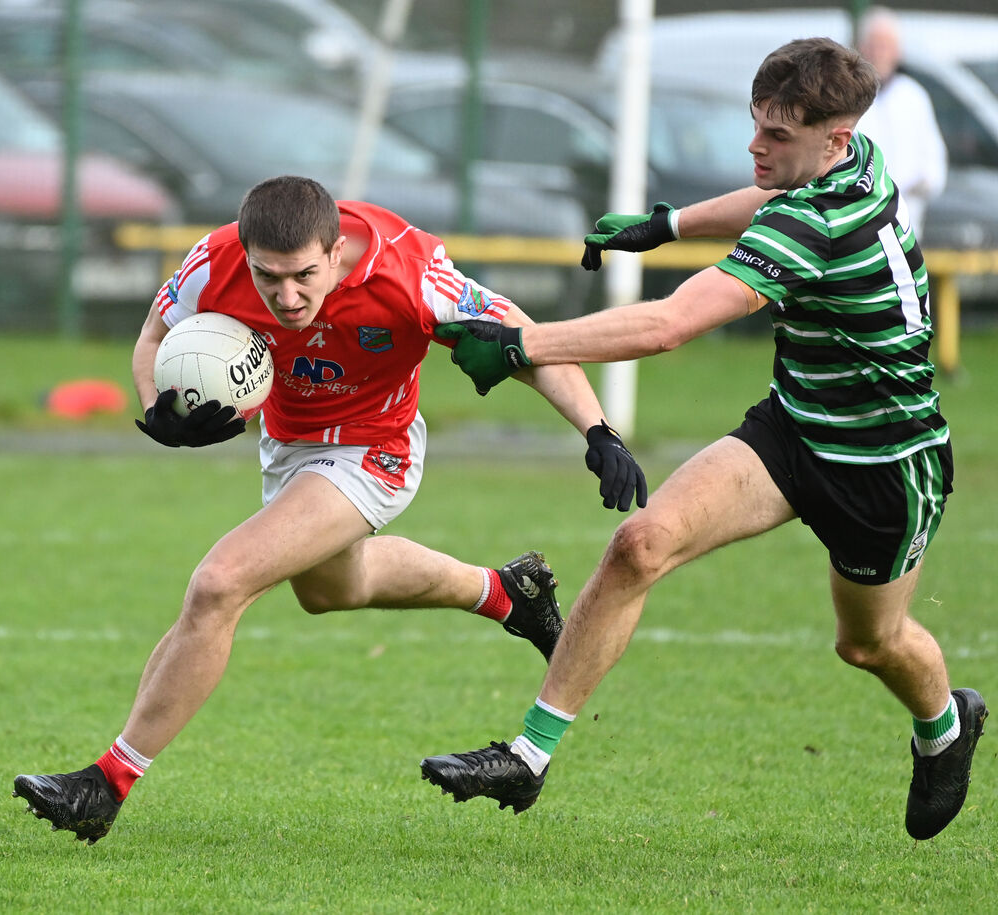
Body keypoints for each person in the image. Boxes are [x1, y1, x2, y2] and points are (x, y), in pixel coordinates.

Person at [421, 38, 986, 840]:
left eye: (777, 137)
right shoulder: (854, 158)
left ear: (833, 138)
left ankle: (945, 728)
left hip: (885, 465)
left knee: (869, 643)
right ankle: (528, 755)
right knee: (638, 545)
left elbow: (666, 326)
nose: (755, 146)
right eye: (754, 125)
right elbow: (766, 196)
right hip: (795, 427)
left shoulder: (817, 223)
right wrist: (667, 224)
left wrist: (520, 345)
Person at [11, 175, 648, 844]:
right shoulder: (215, 261)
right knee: (330, 589)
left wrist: (598, 430)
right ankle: (504, 593)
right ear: (246, 253)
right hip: (289, 447)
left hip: (375, 449)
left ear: (336, 248)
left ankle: (105, 782)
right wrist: (157, 409)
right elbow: (154, 333)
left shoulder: (409, 273)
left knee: (219, 583)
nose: (287, 296)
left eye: (304, 275)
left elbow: (525, 342)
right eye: (269, 278)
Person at [854, 6, 947, 238]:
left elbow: (934, 165)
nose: (879, 54)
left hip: (907, 227)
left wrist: (916, 184)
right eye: (874, 45)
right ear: (861, 48)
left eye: (886, 46)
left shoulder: (913, 96)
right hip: (857, 227)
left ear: (898, 52)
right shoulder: (848, 96)